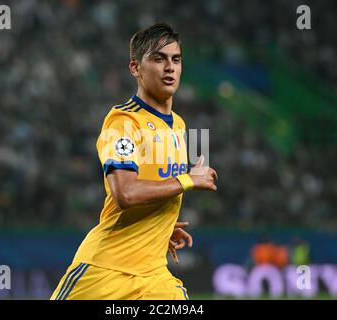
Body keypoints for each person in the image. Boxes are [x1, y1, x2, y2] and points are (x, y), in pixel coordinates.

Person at [50, 22, 218, 300]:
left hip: (154, 275)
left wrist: (159, 226)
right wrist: (188, 180)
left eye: (176, 59)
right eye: (158, 59)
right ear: (135, 68)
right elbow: (125, 194)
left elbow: (153, 183)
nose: (169, 67)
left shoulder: (178, 125)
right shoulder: (123, 122)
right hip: (106, 271)